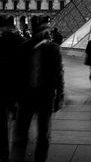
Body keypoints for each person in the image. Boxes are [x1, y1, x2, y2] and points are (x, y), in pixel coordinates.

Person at [11, 23, 64, 162]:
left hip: (44, 97)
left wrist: (60, 96)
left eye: (48, 31)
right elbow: (15, 74)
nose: (47, 34)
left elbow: (59, 74)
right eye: (44, 31)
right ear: (37, 32)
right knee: (22, 132)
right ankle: (19, 157)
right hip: (25, 97)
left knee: (43, 134)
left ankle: (40, 158)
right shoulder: (23, 47)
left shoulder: (53, 49)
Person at [0, 27, 24, 162]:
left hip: (4, 86)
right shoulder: (20, 43)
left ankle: (4, 152)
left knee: (2, 121)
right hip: (13, 86)